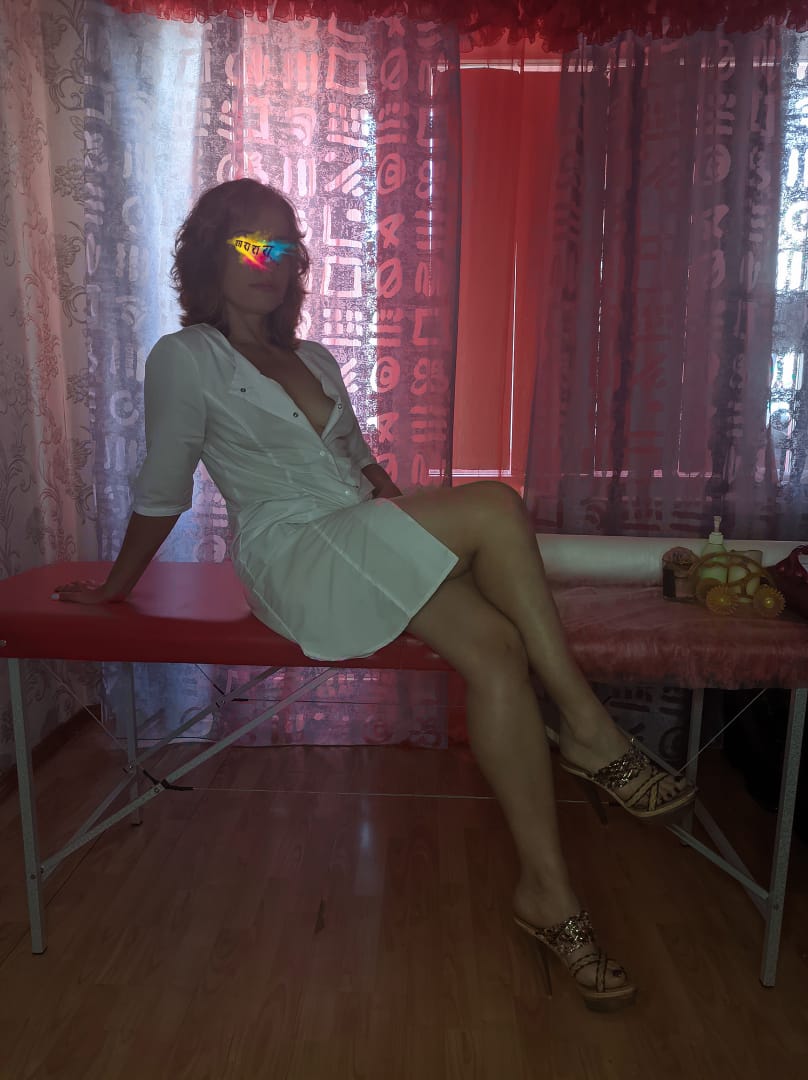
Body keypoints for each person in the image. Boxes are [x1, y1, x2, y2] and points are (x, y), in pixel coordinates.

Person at [53, 178, 696, 1011]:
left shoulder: (315, 359)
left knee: (498, 650)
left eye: (283, 247)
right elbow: (163, 488)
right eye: (249, 244)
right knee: (497, 505)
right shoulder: (186, 358)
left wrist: (429, 542)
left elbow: (364, 471)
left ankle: (550, 897)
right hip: (291, 552)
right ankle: (590, 728)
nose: (269, 261)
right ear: (210, 255)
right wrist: (116, 585)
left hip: (358, 533)